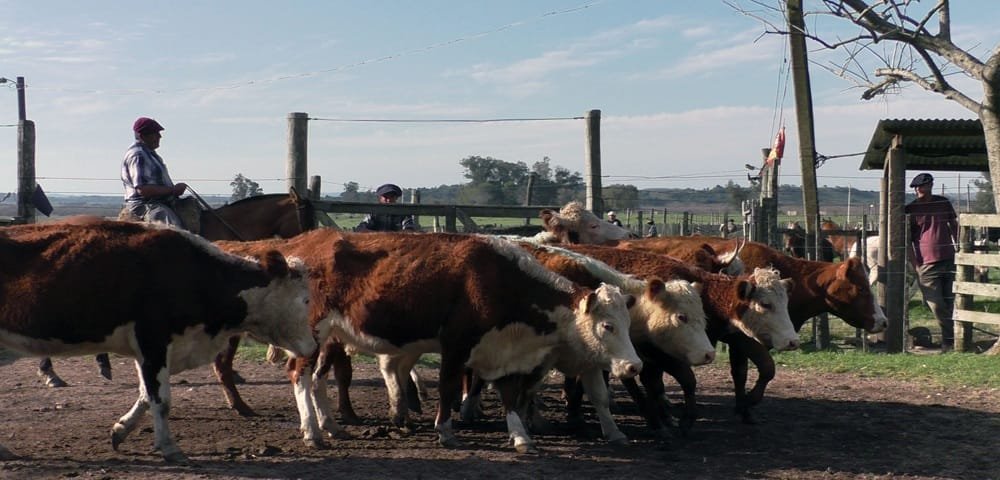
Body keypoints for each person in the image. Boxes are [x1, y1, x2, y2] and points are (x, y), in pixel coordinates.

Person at [905, 172, 958, 352]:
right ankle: (950, 339)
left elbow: (954, 225)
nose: (918, 190)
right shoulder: (910, 210)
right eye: (916, 188)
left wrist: (959, 248)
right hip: (926, 264)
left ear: (930, 185)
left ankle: (951, 342)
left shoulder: (943, 203)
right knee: (936, 305)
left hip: (949, 259)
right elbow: (907, 241)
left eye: (922, 186)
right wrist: (916, 265)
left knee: (951, 302)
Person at [121, 117, 188, 227]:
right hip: (145, 205)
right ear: (143, 136)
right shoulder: (138, 155)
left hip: (159, 202)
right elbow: (143, 190)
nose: (159, 136)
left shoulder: (150, 155)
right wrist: (173, 190)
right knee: (174, 230)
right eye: (155, 133)